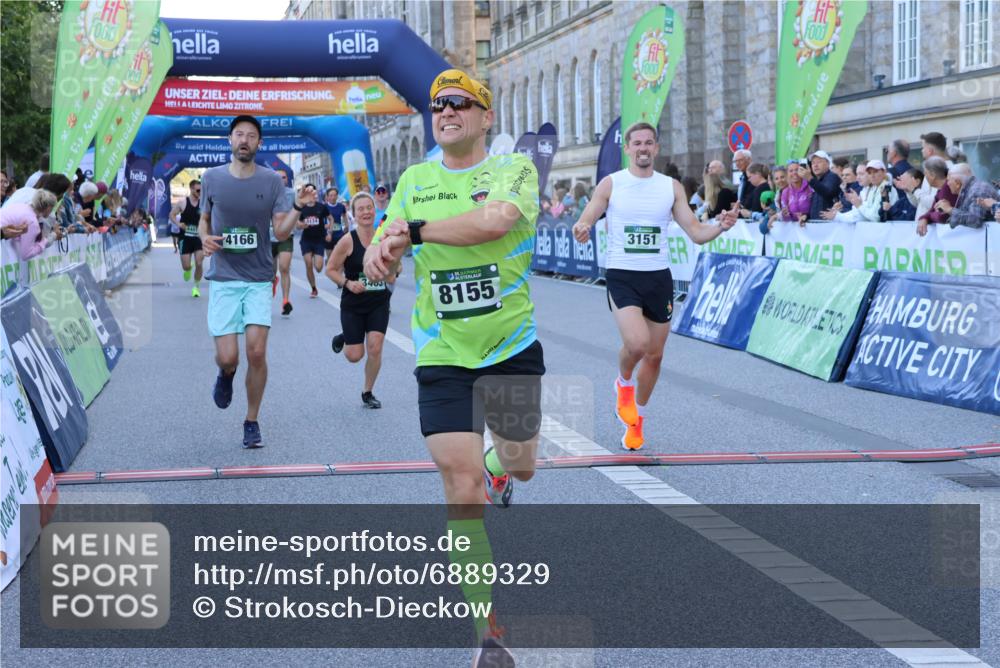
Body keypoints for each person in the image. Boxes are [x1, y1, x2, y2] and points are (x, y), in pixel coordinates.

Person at [362, 68, 542, 667]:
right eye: (439, 105)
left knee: (524, 464)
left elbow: (493, 222)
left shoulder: (514, 169)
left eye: (462, 104)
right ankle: (488, 634)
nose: (447, 113)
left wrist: (413, 231)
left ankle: (501, 466)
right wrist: (379, 253)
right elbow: (383, 243)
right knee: (459, 490)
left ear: (486, 117)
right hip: (442, 353)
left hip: (511, 348)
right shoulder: (415, 178)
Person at [572, 121, 738, 450]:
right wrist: (582, 225)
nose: (643, 148)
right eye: (637, 143)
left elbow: (695, 232)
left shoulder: (671, 187)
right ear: (628, 149)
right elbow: (589, 214)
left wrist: (720, 226)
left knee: (655, 355)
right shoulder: (611, 184)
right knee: (636, 344)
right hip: (623, 274)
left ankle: (638, 422)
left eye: (649, 143)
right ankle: (622, 384)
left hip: (658, 277)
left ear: (657, 148)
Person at [198, 115, 294, 449]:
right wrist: (205, 239)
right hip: (224, 277)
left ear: (259, 143)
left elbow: (280, 231)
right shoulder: (211, 178)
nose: (245, 140)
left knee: (256, 352)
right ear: (229, 140)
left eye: (251, 136)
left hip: (257, 277)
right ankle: (225, 376)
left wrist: (299, 207)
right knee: (229, 358)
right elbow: (204, 220)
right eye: (239, 134)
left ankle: (251, 421)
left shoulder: (271, 181)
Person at [326, 191, 395, 408]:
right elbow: (331, 269)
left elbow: (395, 270)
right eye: (361, 209)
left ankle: (368, 392)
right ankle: (346, 336)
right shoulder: (348, 241)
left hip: (378, 301)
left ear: (375, 211)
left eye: (369, 207)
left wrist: (393, 268)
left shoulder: (384, 238)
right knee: (355, 355)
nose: (366, 212)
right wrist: (347, 283)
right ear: (354, 214)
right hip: (353, 304)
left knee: (375, 348)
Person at [932, 163, 998, 229]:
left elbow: (975, 220)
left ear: (957, 183)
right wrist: (947, 210)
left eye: (948, 180)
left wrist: (950, 209)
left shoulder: (977, 190)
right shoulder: (968, 190)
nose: (947, 184)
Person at [0, 190, 62, 260]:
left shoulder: (22, 206)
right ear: (48, 208)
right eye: (52, 208)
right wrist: (44, 242)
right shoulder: (32, 222)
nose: (52, 212)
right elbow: (26, 254)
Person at [170, 179, 204, 297]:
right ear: (191, 189)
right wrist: (179, 224)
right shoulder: (182, 203)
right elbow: (172, 215)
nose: (200, 192)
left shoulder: (203, 203)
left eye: (201, 190)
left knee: (199, 263)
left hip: (199, 237)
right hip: (185, 237)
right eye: (198, 190)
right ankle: (188, 269)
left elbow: (209, 218)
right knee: (186, 266)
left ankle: (196, 287)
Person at [295, 183, 330, 298]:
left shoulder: (321, 207)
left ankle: (320, 258)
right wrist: (302, 225)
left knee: (319, 268)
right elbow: (297, 223)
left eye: (312, 190)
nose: (310, 192)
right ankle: (313, 288)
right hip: (306, 240)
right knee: (308, 264)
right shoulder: (302, 208)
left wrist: (329, 231)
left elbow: (330, 218)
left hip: (319, 240)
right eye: (308, 190)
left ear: (315, 193)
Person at [270, 170, 295, 313]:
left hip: (286, 235)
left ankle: (285, 300)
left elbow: (297, 211)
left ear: (287, 179)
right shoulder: (266, 192)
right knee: (270, 272)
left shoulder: (292, 194)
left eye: (283, 177)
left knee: (284, 268)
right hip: (268, 237)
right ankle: (273, 281)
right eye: (278, 177)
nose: (281, 180)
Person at [807, 150, 841, 220]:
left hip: (829, 224)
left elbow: (827, 192)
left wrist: (810, 179)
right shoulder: (815, 181)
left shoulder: (832, 177)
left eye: (819, 162)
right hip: (816, 224)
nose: (815, 165)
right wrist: (806, 216)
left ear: (828, 164)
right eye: (813, 163)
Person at [779, 160, 813, 225]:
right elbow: (786, 217)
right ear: (787, 174)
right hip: (795, 231)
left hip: (811, 228)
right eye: (791, 171)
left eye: (797, 170)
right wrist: (787, 215)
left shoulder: (810, 187)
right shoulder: (785, 192)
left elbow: (817, 208)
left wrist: (806, 216)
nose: (794, 173)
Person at [323, 186, 348, 264]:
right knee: (330, 259)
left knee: (341, 257)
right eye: (331, 195)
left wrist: (346, 226)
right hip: (328, 235)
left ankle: (339, 272)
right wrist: (323, 226)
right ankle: (329, 265)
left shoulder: (341, 206)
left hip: (339, 233)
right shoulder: (324, 207)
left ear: (337, 196)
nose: (333, 197)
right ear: (327, 197)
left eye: (334, 195)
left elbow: (344, 216)